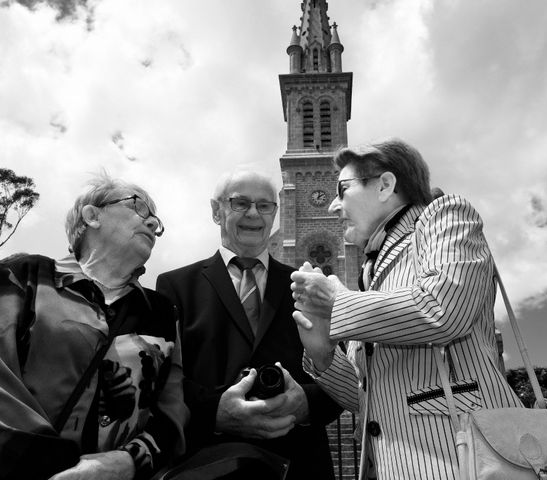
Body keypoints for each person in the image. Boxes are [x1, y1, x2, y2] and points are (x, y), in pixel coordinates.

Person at [290, 139, 523, 480]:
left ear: (385, 185)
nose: (334, 207)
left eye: (343, 189)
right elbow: (366, 401)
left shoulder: (444, 216)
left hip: (463, 463)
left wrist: (338, 302)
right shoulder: (370, 273)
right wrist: (324, 354)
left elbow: (444, 309)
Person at [0, 174, 188, 480]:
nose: (153, 223)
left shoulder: (162, 313)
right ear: (92, 216)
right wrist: (50, 466)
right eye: (139, 208)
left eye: (156, 220)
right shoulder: (25, 275)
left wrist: (128, 462)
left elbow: (172, 412)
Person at [156, 171, 341, 480]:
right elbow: (163, 382)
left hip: (300, 465)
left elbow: (342, 380)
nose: (254, 213)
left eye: (265, 206)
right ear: (217, 211)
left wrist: (304, 404)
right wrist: (215, 413)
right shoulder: (175, 285)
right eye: (240, 203)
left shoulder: (309, 286)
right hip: (208, 465)